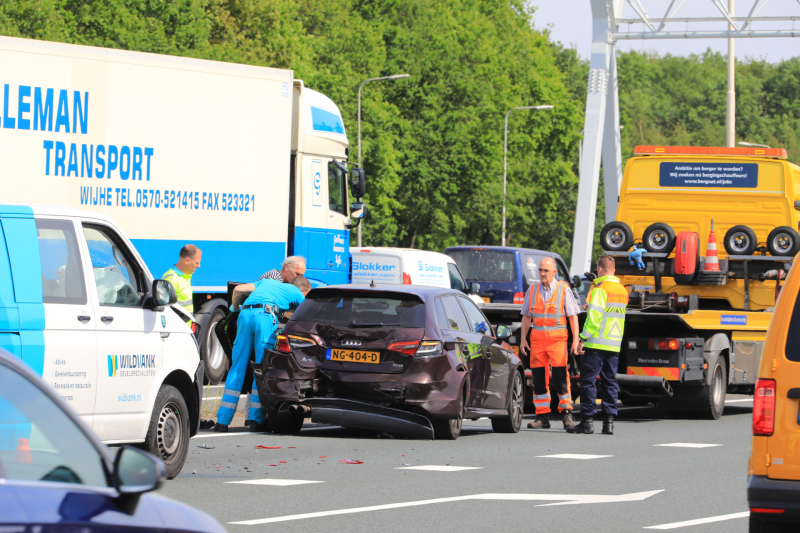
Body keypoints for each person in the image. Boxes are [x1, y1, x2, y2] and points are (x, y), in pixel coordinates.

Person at [214, 276, 312, 433]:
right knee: (261, 369)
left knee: (237, 367)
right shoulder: (296, 292)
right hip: (264, 317)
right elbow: (305, 317)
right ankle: (256, 420)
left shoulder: (267, 282)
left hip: (244, 315)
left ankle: (222, 422)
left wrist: (234, 309)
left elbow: (238, 289)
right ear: (303, 290)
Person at [567, 255, 628, 435]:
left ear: (599, 269)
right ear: (614, 270)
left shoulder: (600, 289)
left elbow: (594, 319)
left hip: (596, 343)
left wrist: (582, 338)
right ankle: (608, 423)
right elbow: (612, 313)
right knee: (610, 382)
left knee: (588, 381)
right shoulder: (622, 290)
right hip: (614, 343)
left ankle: (587, 422)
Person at [520, 257, 581, 430]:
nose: (542, 273)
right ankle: (542, 417)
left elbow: (573, 316)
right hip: (537, 342)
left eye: (546, 270)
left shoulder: (563, 289)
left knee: (561, 378)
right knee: (539, 379)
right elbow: (526, 316)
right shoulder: (532, 290)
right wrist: (523, 339)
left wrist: (576, 340)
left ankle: (566, 413)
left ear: (554, 272)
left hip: (557, 341)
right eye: (540, 270)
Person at [162, 245, 202, 314]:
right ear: (187, 261)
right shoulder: (171, 279)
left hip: (186, 321)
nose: (199, 266)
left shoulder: (186, 274)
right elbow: (164, 308)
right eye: (196, 263)